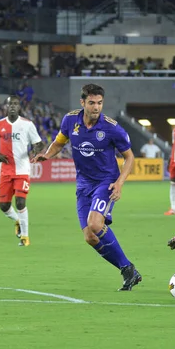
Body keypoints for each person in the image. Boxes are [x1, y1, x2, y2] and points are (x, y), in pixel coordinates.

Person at [31, 84, 141, 291]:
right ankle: (128, 269)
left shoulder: (112, 128)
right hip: (83, 185)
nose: (96, 107)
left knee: (95, 225)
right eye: (91, 103)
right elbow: (58, 142)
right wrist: (47, 154)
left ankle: (128, 270)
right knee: (90, 237)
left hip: (105, 182)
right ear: (82, 103)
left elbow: (129, 157)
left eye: (99, 103)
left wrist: (119, 183)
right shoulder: (70, 120)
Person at [0, 95, 45, 247]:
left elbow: (39, 144)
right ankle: (17, 221)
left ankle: (25, 238)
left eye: (15, 104)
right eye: (10, 104)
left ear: (19, 107)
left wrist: (35, 150)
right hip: (5, 171)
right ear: (6, 107)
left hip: (22, 170)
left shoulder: (27, 125)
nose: (12, 106)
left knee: (20, 202)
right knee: (4, 206)